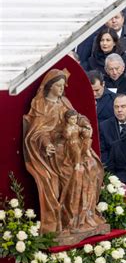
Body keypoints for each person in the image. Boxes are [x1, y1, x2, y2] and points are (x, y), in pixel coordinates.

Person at [24, 69, 106, 236]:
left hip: (71, 145)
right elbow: (38, 132)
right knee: (73, 173)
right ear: (49, 86)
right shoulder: (41, 106)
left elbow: (76, 116)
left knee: (93, 167)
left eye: (63, 85)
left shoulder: (64, 102)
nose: (62, 89)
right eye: (58, 86)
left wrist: (85, 124)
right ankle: (70, 219)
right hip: (55, 152)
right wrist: (47, 145)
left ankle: (85, 216)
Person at [100, 94, 126, 165]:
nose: (119, 110)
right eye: (116, 107)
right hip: (113, 169)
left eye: (123, 106)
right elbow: (102, 152)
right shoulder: (104, 126)